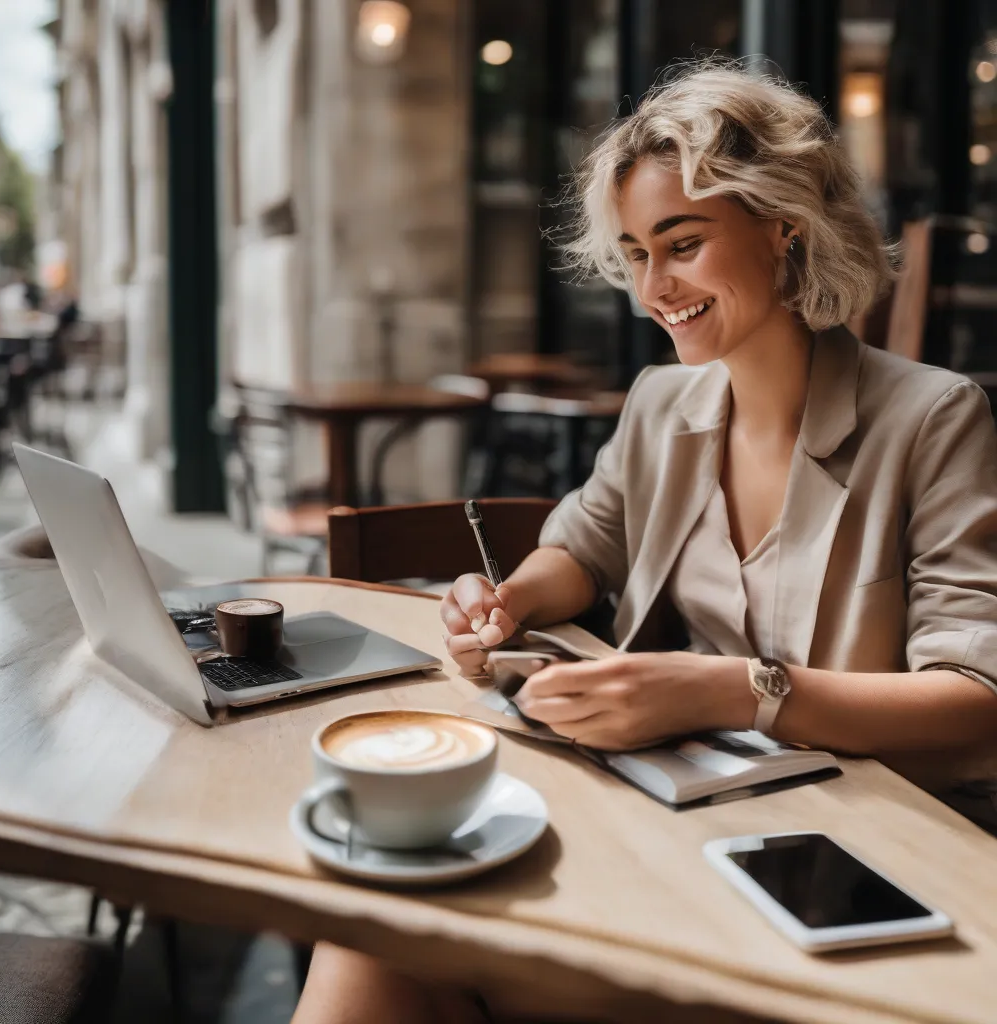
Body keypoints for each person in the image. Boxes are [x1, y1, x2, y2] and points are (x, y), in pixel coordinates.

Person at [290, 60, 997, 1024]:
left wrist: (733, 687)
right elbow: (582, 548)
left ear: (782, 228)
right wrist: (508, 601)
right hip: (675, 818)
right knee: (382, 923)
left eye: (684, 243)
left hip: (843, 865)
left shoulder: (935, 419)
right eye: (633, 254)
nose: (654, 288)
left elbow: (975, 704)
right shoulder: (663, 401)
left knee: (405, 934)